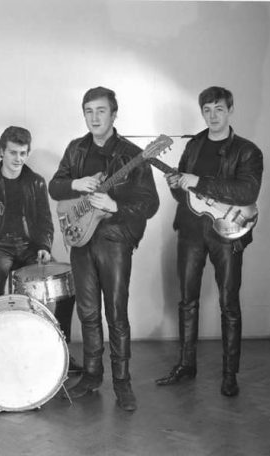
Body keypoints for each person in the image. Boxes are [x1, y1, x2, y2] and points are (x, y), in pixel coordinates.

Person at [48, 87, 159, 411]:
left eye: (100, 110)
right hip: (81, 240)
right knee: (88, 312)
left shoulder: (132, 154)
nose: (94, 117)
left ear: (114, 114)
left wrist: (115, 205)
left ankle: (122, 382)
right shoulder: (76, 149)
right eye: (88, 111)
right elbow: (56, 187)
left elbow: (150, 203)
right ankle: (92, 375)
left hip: (114, 240)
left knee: (116, 313)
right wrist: (75, 184)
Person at [155, 86, 263, 397]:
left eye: (218, 109)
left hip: (228, 234)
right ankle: (186, 366)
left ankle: (230, 376)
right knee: (187, 301)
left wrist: (200, 181)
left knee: (229, 305)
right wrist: (176, 184)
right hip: (191, 232)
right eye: (207, 110)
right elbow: (186, 195)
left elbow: (248, 193)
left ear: (230, 110)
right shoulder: (194, 146)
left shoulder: (247, 151)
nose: (212, 115)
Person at [0, 126, 81, 373]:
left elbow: (45, 222)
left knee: (65, 287)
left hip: (30, 247)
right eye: (13, 153)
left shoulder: (36, 182)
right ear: (1, 152)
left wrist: (45, 248)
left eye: (23, 153)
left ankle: (60, 347)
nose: (18, 159)